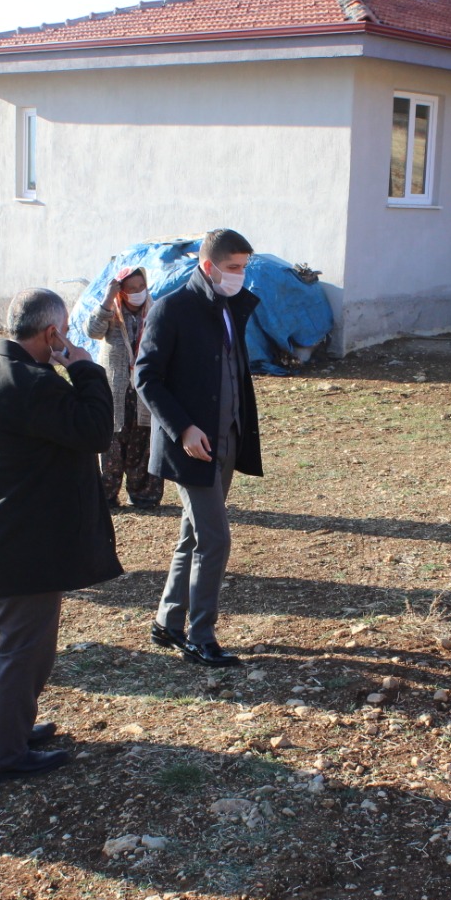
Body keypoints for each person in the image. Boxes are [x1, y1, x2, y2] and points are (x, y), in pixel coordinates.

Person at [0, 288, 122, 782]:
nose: (67, 338)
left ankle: (2, 728)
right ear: (52, 333)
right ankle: (4, 754)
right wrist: (87, 368)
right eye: (64, 331)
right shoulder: (32, 384)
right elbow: (95, 430)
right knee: (25, 650)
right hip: (23, 546)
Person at [134, 229, 264, 668]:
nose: (240, 276)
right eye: (233, 268)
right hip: (189, 446)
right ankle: (199, 636)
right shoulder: (171, 309)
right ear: (208, 267)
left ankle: (168, 621)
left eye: (244, 267)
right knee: (215, 539)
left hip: (226, 440)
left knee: (193, 536)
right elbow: (146, 377)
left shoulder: (228, 306)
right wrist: (184, 428)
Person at [86, 266, 164, 509]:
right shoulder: (110, 313)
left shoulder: (155, 311)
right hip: (115, 389)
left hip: (144, 389)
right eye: (131, 289)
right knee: (111, 442)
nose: (138, 292)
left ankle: (144, 495)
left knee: (143, 441)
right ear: (121, 292)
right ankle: (106, 495)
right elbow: (92, 331)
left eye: (142, 287)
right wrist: (108, 299)